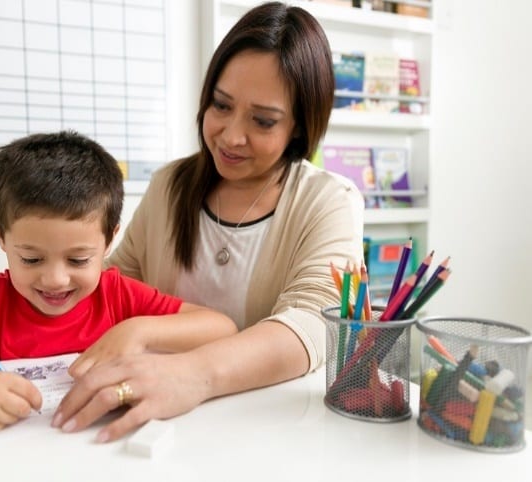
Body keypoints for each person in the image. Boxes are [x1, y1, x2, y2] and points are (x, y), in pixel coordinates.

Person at [51, 2, 364, 443]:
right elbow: (115, 284)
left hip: (268, 433)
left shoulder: (328, 200)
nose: (231, 135)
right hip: (153, 428)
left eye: (262, 120)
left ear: (298, 127)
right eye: (220, 105)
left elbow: (315, 325)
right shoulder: (170, 185)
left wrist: (192, 375)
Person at [0, 131, 237, 436]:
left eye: (79, 259)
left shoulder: (116, 297)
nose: (55, 279)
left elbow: (221, 328)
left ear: (110, 238)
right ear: (0, 236)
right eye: (31, 259)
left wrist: (140, 330)